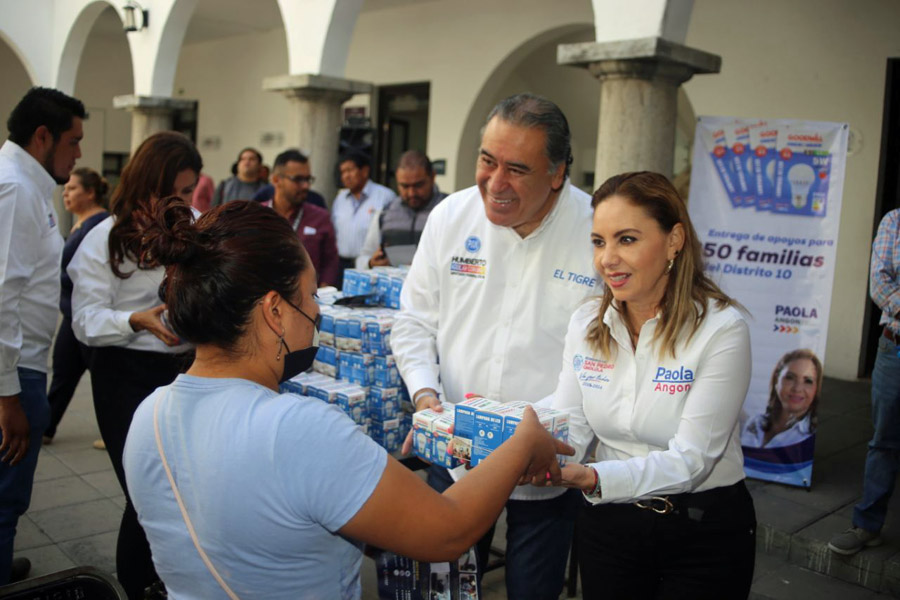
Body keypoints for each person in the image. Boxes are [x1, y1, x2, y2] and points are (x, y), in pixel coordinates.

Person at [121, 198, 572, 598]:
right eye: (311, 294)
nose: (318, 310)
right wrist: (521, 442)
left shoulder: (147, 416)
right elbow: (449, 530)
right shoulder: (299, 430)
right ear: (275, 311)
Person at [393, 93, 598, 599]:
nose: (495, 182)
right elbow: (414, 321)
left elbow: (604, 358)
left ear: (557, 173)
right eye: (488, 160)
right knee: (446, 588)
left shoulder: (597, 231)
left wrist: (544, 435)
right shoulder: (451, 217)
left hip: (548, 465)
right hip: (457, 453)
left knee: (533, 590)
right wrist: (425, 398)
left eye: (517, 169)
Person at [539, 171, 756, 599]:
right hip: (608, 526)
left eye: (627, 239)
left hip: (700, 528)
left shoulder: (721, 329)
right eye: (599, 241)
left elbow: (692, 461)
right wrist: (496, 432)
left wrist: (591, 477)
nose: (607, 259)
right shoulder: (587, 321)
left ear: (674, 241)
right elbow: (570, 423)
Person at [69, 131, 200, 598]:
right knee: (143, 489)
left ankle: (168, 578)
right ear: (153, 182)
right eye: (181, 191)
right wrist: (135, 320)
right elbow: (84, 320)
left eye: (192, 191)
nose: (188, 201)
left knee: (181, 485)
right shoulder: (103, 237)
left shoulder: (196, 226)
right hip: (124, 374)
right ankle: (139, 582)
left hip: (186, 370)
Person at [0, 86, 85, 585]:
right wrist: (8, 394)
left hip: (21, 367)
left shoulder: (25, 185)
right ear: (42, 137)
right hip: (15, 373)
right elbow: (2, 298)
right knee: (6, 496)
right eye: (73, 142)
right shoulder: (15, 188)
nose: (78, 154)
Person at [828, 208, 900, 556]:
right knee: (885, 440)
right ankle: (867, 526)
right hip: (895, 347)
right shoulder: (894, 222)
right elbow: (880, 283)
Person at [43, 168, 109, 445]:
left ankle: (117, 429)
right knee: (64, 370)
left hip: (87, 312)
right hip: (73, 313)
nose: (65, 193)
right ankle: (45, 429)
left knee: (104, 377)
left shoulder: (99, 224)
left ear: (90, 193)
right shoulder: (81, 222)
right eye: (66, 188)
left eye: (72, 188)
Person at [356, 150, 447, 269]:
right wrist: (371, 263)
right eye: (404, 186)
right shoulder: (385, 213)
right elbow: (363, 257)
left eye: (418, 185)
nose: (411, 193)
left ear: (433, 177)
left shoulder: (450, 210)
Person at [261, 149, 340, 287]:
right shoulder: (257, 215)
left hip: (307, 301)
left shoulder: (320, 217)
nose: (306, 186)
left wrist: (324, 290)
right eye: (298, 179)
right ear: (276, 180)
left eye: (308, 179)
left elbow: (330, 261)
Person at [331, 151, 396, 276]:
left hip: (372, 266)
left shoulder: (385, 196)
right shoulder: (340, 198)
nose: (346, 176)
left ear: (365, 171)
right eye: (343, 172)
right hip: (342, 265)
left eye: (350, 170)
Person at [741, 349, 821, 448]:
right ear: (776, 381)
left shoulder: (811, 436)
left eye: (808, 381)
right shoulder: (756, 422)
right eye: (790, 377)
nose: (797, 388)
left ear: (817, 389)